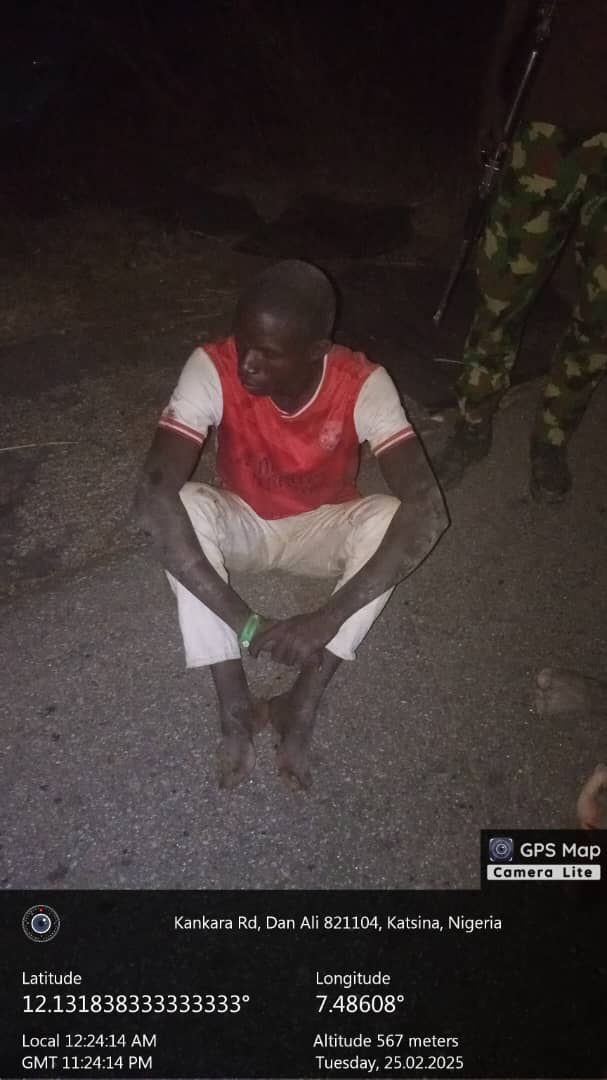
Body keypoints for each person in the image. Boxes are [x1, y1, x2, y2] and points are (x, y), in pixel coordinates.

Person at [134, 260, 448, 790]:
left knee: (395, 518)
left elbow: (430, 509)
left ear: (317, 351)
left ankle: (301, 702)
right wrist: (247, 623)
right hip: (244, 522)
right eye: (243, 342)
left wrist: (327, 618)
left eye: (268, 353)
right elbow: (151, 498)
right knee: (178, 505)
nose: (247, 364)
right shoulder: (212, 365)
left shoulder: (361, 383)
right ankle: (233, 700)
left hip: (321, 528)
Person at [436, 0, 607, 501]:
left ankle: (552, 439)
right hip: (547, 126)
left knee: (601, 313)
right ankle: (472, 425)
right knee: (502, 292)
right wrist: (493, 95)